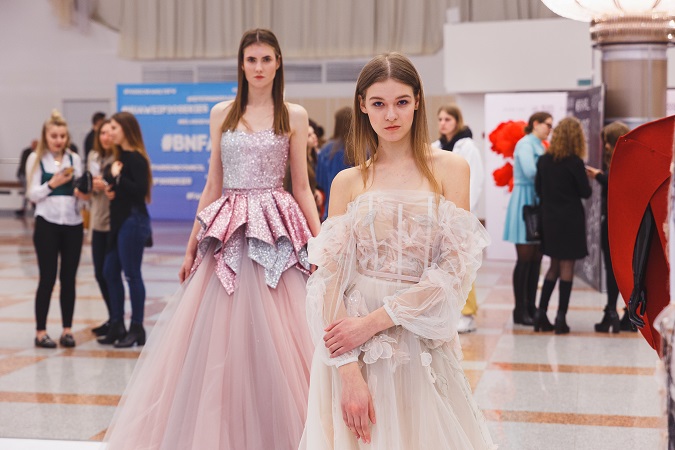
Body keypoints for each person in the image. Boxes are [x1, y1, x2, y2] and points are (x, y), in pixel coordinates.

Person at [103, 29, 320, 449]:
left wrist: (319, 240)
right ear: (241, 64)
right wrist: (191, 245)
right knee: (220, 338)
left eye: (266, 59)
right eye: (251, 59)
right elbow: (212, 184)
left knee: (280, 338)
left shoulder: (293, 115)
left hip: (275, 228)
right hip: (229, 229)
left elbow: (302, 187)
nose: (259, 67)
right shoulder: (222, 113)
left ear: (278, 63)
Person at [299, 52, 495, 449]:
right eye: (378, 103)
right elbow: (329, 280)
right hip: (351, 345)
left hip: (418, 336)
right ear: (362, 106)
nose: (391, 115)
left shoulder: (451, 168)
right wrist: (347, 370)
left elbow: (454, 270)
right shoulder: (348, 181)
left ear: (418, 101)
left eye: (401, 102)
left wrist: (373, 322)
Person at [26, 110, 86, 348]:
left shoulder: (74, 158)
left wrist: (83, 194)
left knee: (69, 278)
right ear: (46, 136)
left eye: (62, 136)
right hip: (47, 224)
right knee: (47, 277)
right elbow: (32, 194)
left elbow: (80, 191)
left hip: (73, 223)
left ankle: (67, 330)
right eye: (54, 136)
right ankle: (41, 332)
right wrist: (52, 183)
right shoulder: (36, 158)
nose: (58, 140)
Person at [96, 112, 152, 348]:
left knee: (132, 274)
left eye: (114, 128)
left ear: (126, 130)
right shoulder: (119, 158)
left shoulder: (136, 158)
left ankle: (137, 327)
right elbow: (112, 183)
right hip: (119, 222)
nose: (110, 133)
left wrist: (118, 178)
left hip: (133, 220)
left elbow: (140, 192)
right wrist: (110, 186)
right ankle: (117, 323)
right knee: (109, 271)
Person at [533, 117, 592, 334]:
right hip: (570, 219)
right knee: (567, 268)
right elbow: (585, 192)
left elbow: (538, 190)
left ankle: (540, 314)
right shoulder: (575, 162)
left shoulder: (543, 161)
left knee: (553, 267)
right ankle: (561, 318)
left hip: (549, 219)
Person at [433, 103, 484, 333]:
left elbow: (475, 182)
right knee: (442, 266)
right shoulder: (435, 147)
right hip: (438, 216)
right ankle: (447, 313)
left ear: (457, 121)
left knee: (464, 265)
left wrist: (463, 214)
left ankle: (468, 313)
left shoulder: (468, 147)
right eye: (440, 119)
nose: (443, 123)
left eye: (448, 119)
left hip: (460, 215)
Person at [503, 111, 552, 326]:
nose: (549, 129)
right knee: (524, 259)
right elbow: (531, 172)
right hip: (525, 200)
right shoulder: (525, 144)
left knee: (535, 259)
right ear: (535, 124)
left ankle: (531, 307)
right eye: (547, 124)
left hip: (536, 200)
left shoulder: (539, 145)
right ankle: (520, 310)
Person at [586, 121, 633, 333]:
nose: (605, 145)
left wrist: (598, 176)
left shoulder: (622, 161)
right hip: (625, 223)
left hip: (615, 223)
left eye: (607, 141)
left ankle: (612, 312)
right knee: (624, 270)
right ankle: (625, 314)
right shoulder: (627, 159)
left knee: (614, 269)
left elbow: (615, 183)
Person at [87, 119, 115, 336]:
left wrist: (105, 184)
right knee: (99, 273)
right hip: (97, 220)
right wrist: (89, 185)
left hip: (114, 222)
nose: (105, 137)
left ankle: (117, 319)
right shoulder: (93, 156)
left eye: (109, 132)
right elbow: (86, 185)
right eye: (102, 133)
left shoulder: (119, 157)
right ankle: (112, 316)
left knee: (111, 272)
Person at [315, 106, 352, 221]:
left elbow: (320, 180)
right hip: (356, 209)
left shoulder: (326, 150)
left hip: (331, 208)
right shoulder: (364, 149)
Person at [16, 139, 37, 216]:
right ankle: (30, 204)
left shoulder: (38, 153)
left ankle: (31, 204)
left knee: (29, 189)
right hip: (24, 174)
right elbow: (24, 166)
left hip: (32, 176)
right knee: (27, 189)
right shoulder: (26, 152)